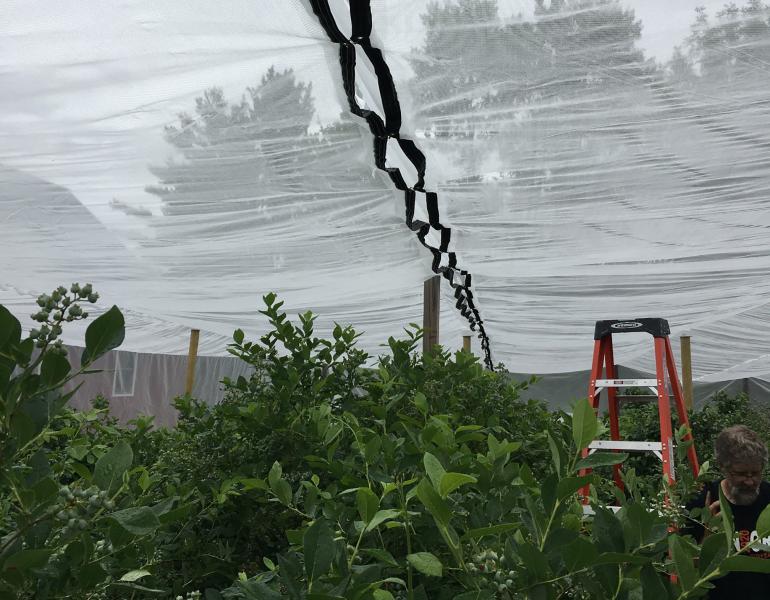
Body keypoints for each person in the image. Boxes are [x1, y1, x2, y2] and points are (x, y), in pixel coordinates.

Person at [686, 424, 770, 599]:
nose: (750, 481)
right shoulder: (702, 502)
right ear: (723, 467)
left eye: (755, 473)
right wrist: (708, 537)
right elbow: (685, 567)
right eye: (741, 474)